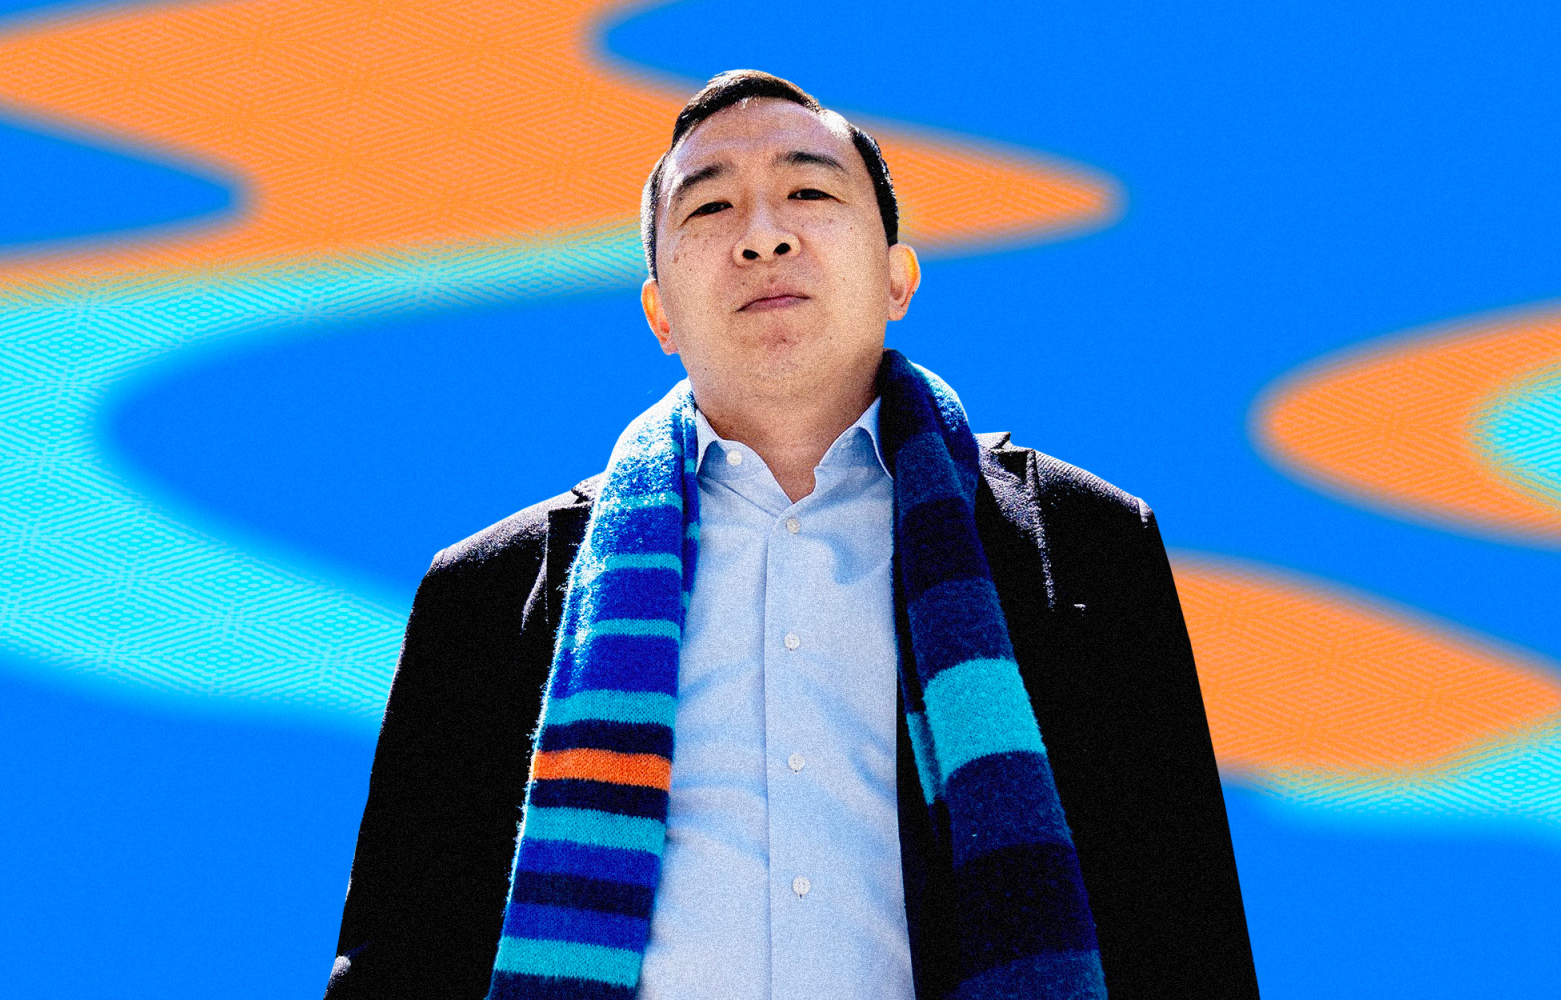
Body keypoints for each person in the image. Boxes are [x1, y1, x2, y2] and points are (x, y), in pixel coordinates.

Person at [324, 70, 1256, 1000]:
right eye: (711, 207)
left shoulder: (1082, 547)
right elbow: (399, 963)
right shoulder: (491, 594)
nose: (763, 235)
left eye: (809, 192)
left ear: (897, 278)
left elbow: (1183, 936)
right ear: (659, 313)